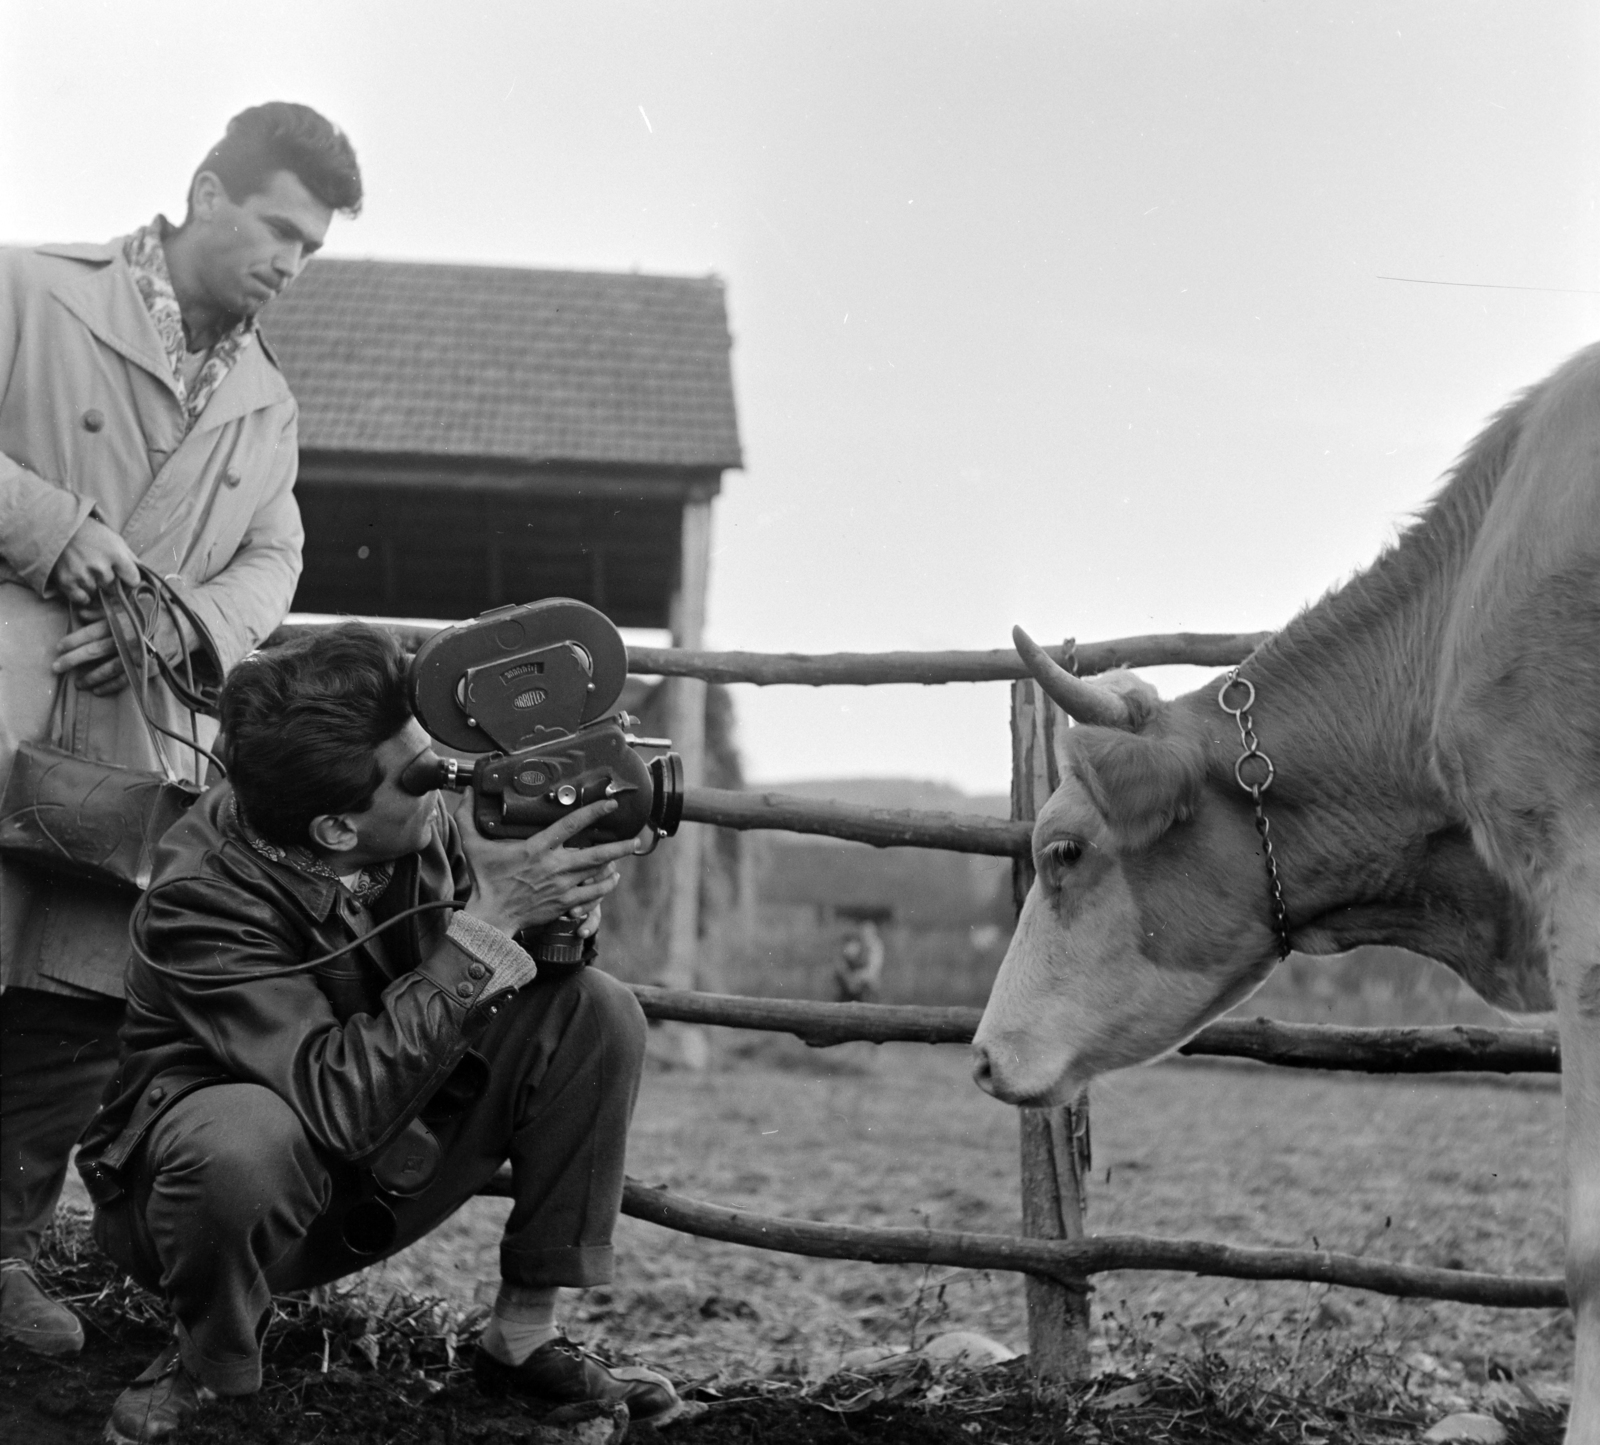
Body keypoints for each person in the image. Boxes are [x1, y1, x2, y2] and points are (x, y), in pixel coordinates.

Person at [75, 624, 686, 1443]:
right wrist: (490, 921)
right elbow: (335, 1102)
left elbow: (511, 972)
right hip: (223, 1202)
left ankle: (521, 1337)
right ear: (336, 830)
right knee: (241, 1139)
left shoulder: (403, 821)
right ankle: (208, 1365)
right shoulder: (201, 898)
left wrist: (556, 908)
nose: (447, 779)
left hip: (381, 1149)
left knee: (594, 1011)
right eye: (423, 775)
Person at [0, 102, 362, 1357]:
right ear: (207, 193)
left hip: (127, 740)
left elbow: (275, 556)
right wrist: (53, 528)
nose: (289, 262)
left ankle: (0, 1255)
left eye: (309, 247)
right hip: (2, 693)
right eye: (276, 228)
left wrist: (182, 624)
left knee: (72, 1005)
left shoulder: (267, 402)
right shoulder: (29, 290)